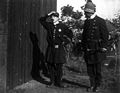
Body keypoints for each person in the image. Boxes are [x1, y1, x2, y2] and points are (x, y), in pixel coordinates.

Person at [39, 11, 73, 87]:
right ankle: (52, 81)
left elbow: (70, 34)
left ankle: (59, 82)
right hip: (51, 48)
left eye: (54, 16)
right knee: (50, 64)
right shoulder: (49, 25)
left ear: (58, 18)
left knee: (59, 65)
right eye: (52, 17)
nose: (52, 18)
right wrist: (49, 14)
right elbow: (41, 20)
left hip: (59, 48)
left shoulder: (62, 26)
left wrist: (65, 42)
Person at [81, 1, 109, 92]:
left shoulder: (100, 21)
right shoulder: (86, 22)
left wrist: (104, 46)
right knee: (90, 68)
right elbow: (84, 36)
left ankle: (98, 85)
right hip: (88, 48)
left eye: (86, 12)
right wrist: (83, 47)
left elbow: (105, 35)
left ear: (91, 12)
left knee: (97, 69)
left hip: (97, 48)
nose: (85, 14)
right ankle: (92, 84)